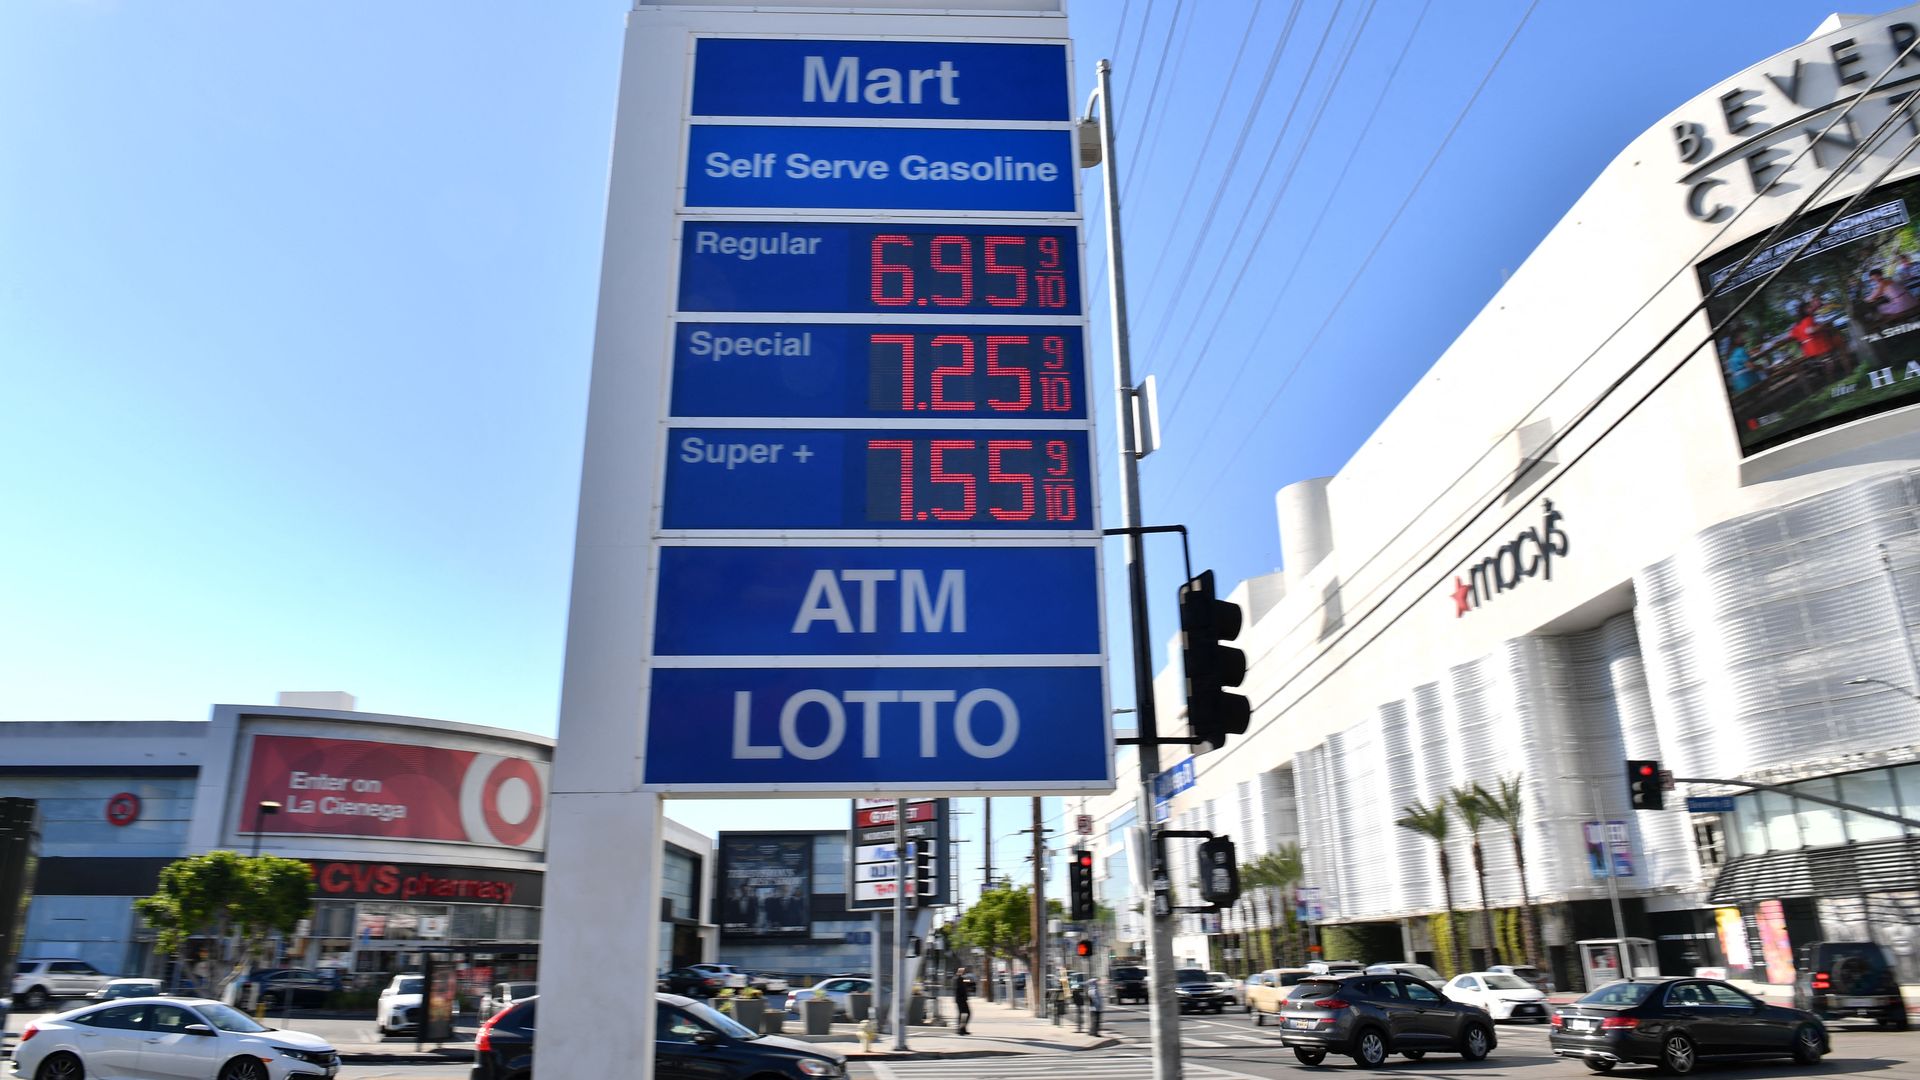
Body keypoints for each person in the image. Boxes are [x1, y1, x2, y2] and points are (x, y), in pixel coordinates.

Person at [953, 966, 973, 1035]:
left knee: (964, 1013)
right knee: (964, 1013)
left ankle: (962, 1029)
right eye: (964, 972)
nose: (965, 973)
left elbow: (967, 983)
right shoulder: (959, 979)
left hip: (962, 999)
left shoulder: (960, 979)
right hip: (961, 1000)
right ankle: (960, 1029)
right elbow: (962, 988)